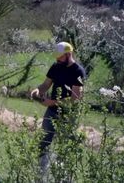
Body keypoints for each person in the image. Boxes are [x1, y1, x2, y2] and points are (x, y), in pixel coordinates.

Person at [30, 42, 86, 173]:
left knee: (65, 147)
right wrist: (37, 90)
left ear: (68, 54)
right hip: (51, 112)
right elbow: (46, 84)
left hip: (69, 115)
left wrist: (52, 102)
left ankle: (63, 177)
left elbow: (75, 98)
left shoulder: (78, 71)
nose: (57, 59)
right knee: (44, 142)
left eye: (60, 56)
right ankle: (41, 175)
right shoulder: (56, 66)